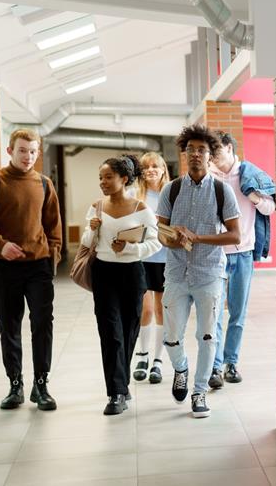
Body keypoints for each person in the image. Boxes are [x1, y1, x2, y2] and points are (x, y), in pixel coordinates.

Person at [0, 128, 62, 411]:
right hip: (3, 267)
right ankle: (15, 385)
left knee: (42, 326)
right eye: (23, 150)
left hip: (38, 268)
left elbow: (53, 228)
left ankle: (41, 384)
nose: (28, 156)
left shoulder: (45, 184)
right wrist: (0, 245)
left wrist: (52, 259)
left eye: (33, 151)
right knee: (9, 327)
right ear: (10, 151)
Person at [157, 124, 240, 418]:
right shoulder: (172, 189)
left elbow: (235, 236)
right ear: (184, 154)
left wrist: (197, 237)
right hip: (176, 273)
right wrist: (173, 237)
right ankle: (180, 368)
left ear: (210, 156)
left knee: (207, 336)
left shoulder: (222, 191)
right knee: (170, 335)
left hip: (209, 275)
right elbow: (160, 233)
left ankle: (200, 390)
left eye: (201, 150)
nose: (195, 154)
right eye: (190, 149)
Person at [82, 155, 161, 415]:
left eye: (108, 177)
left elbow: (156, 242)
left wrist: (130, 247)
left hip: (132, 274)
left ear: (124, 179)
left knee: (128, 332)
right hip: (104, 274)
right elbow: (85, 241)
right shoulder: (96, 207)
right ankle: (115, 393)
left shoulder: (141, 209)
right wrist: (93, 229)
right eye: (101, 178)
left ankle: (122, 382)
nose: (103, 182)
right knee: (110, 333)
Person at [207, 130, 276, 388]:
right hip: (215, 255)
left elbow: (270, 208)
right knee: (214, 313)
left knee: (237, 312)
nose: (212, 156)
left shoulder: (248, 175)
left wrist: (253, 196)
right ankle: (213, 367)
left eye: (215, 150)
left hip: (243, 253)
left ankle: (230, 363)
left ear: (228, 147)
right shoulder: (208, 178)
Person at [131, 152, 170, 384]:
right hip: (143, 260)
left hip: (166, 260)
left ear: (163, 169)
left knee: (162, 310)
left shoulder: (171, 194)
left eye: (156, 166)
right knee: (144, 310)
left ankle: (158, 360)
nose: (151, 170)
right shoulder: (135, 195)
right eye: (146, 167)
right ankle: (143, 355)